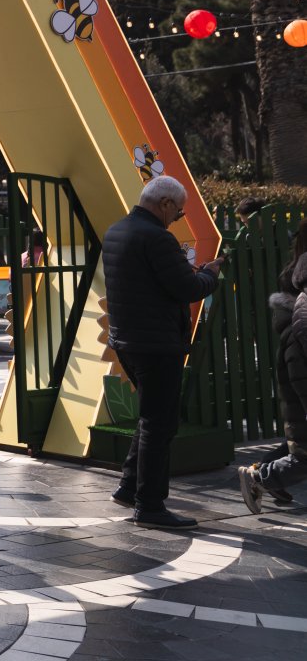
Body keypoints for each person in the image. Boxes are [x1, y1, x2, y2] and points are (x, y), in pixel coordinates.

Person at [102, 176, 222, 529]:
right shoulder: (157, 238)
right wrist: (209, 275)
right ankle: (150, 506)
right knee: (161, 423)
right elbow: (185, 287)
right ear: (166, 204)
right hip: (156, 344)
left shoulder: (117, 231)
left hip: (127, 341)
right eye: (179, 212)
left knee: (150, 416)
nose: (177, 219)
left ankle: (128, 486)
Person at [239, 219, 307, 511]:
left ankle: (265, 475)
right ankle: (261, 476)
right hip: (299, 359)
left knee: (301, 439)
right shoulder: (300, 276)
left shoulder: (296, 269)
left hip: (295, 356)